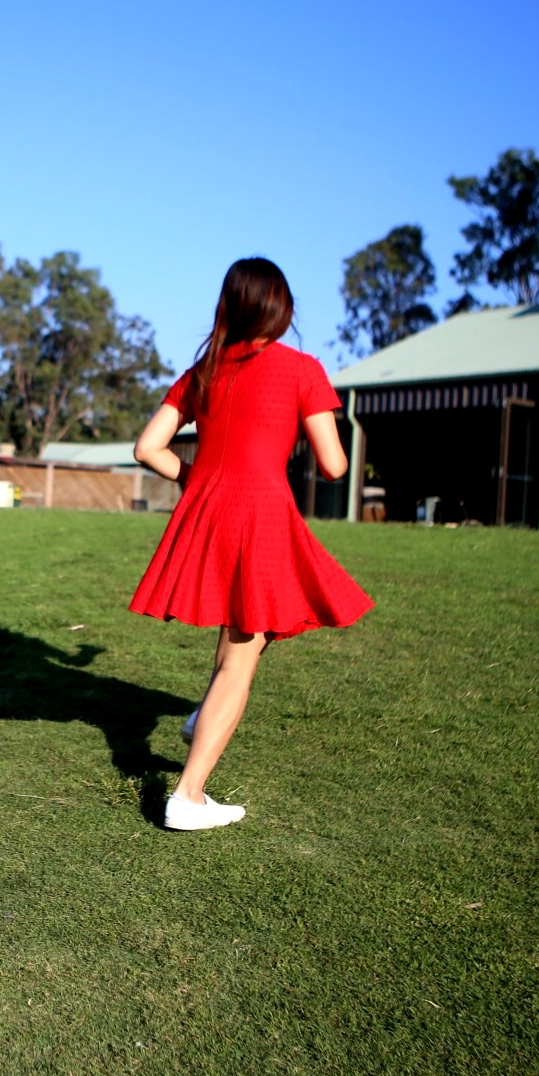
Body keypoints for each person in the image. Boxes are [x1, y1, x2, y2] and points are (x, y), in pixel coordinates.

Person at [130, 258, 373, 831]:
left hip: (208, 512)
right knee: (244, 650)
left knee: (248, 627)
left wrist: (194, 477)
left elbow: (147, 448)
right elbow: (335, 466)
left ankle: (200, 720)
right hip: (261, 514)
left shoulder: (204, 371)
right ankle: (187, 797)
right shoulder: (302, 369)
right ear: (281, 310)